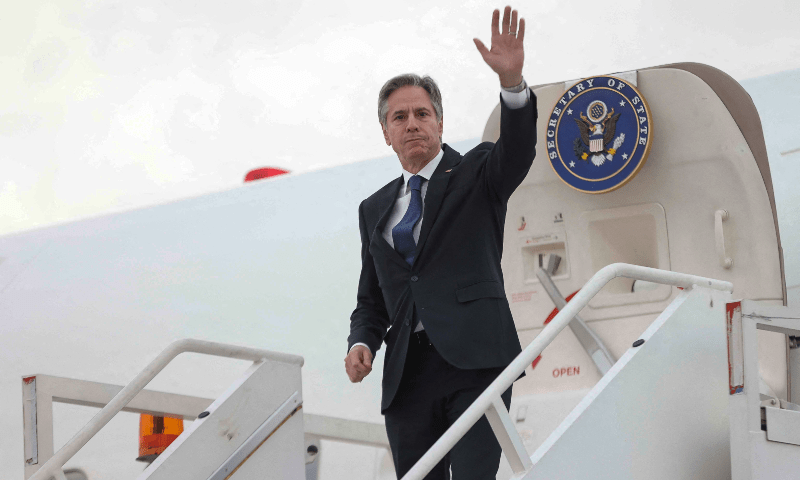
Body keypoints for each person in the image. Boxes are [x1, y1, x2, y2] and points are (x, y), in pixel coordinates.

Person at [344, 6, 537, 479]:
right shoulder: (373, 208)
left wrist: (512, 83)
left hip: (475, 360)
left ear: (440, 123)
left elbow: (519, 150)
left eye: (422, 114)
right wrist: (361, 341)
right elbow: (372, 298)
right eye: (400, 117)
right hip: (408, 375)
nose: (412, 123)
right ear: (386, 132)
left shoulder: (478, 172)